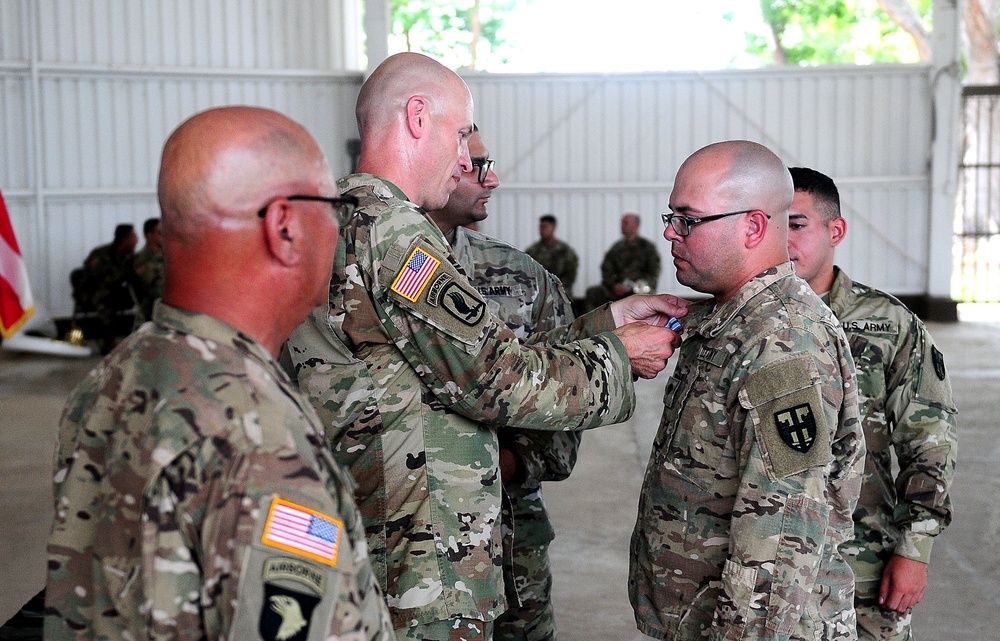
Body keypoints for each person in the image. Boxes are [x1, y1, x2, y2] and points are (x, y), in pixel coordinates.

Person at [284, 52, 686, 641]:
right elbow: (495, 379)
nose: (466, 156)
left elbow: (431, 360)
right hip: (417, 558)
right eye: (461, 133)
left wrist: (604, 323)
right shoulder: (396, 234)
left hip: (365, 532)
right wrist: (621, 355)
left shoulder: (332, 221)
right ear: (417, 117)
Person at [45, 106, 394, 640]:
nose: (339, 232)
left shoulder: (116, 375)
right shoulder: (261, 441)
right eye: (335, 209)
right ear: (284, 227)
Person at [628, 140, 866, 641]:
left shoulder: (783, 343)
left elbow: (780, 548)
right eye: (671, 216)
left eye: (688, 220)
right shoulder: (730, 321)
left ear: (753, 226)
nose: (670, 233)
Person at [787, 166, 958, 641]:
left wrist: (915, 549)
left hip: (862, 561)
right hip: (765, 569)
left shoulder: (887, 323)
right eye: (769, 223)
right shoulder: (739, 323)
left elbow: (930, 442)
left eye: (796, 225)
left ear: (834, 230)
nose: (781, 240)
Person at [426, 125, 579, 641]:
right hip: (396, 544)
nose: (493, 180)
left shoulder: (522, 279)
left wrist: (505, 464)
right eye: (477, 165)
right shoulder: (348, 276)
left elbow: (564, 414)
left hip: (509, 540)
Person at [72, 222, 138, 351]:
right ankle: (108, 339)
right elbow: (89, 278)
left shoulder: (130, 257)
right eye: (134, 237)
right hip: (91, 291)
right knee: (105, 297)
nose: (136, 240)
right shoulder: (100, 253)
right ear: (125, 239)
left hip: (114, 292)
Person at [583, 212, 661, 312]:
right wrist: (614, 285)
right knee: (593, 293)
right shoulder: (617, 248)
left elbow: (653, 272)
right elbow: (606, 269)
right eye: (622, 223)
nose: (622, 226)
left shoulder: (648, 248)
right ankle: (593, 325)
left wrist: (635, 286)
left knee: (642, 296)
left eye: (625, 223)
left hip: (637, 289)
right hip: (617, 289)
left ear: (636, 225)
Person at [525, 214, 579, 295]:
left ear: (553, 229)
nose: (541, 230)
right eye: (540, 227)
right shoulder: (532, 251)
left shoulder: (565, 250)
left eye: (545, 227)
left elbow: (570, 274)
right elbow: (526, 272)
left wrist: (555, 286)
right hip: (537, 288)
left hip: (559, 288)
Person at [132, 216, 164, 322]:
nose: (164, 236)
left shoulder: (170, 255)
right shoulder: (141, 258)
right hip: (154, 303)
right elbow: (147, 284)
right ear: (149, 235)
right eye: (160, 233)